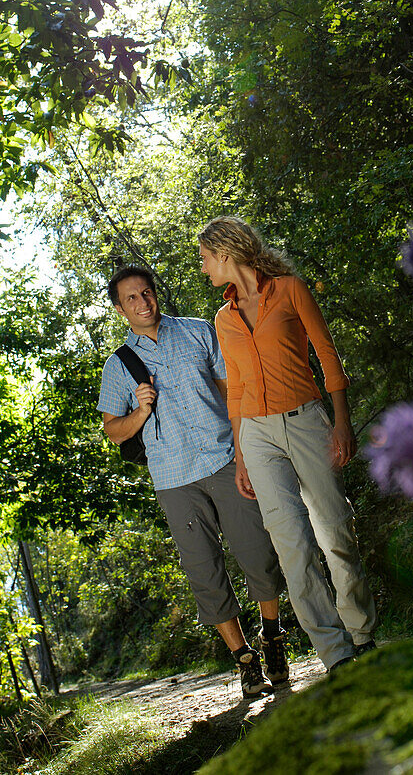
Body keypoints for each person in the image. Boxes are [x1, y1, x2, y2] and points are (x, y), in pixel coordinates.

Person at [98, 264, 288, 698]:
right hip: (173, 478)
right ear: (120, 308)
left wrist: (246, 451)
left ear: (154, 293)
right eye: (131, 298)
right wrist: (141, 412)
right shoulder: (117, 366)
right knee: (204, 569)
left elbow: (232, 390)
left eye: (147, 292)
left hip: (224, 459)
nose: (143, 302)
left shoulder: (199, 331)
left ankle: (272, 636)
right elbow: (114, 430)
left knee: (258, 551)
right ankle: (243, 659)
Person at [198, 217, 377, 672]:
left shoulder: (291, 290)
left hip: (306, 422)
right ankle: (335, 655)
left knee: (335, 529)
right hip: (256, 437)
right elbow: (234, 388)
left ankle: (361, 633)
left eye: (204, 258)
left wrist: (342, 423)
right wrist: (240, 454)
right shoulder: (223, 318)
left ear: (223, 253)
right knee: (292, 546)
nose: (203, 269)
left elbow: (327, 354)